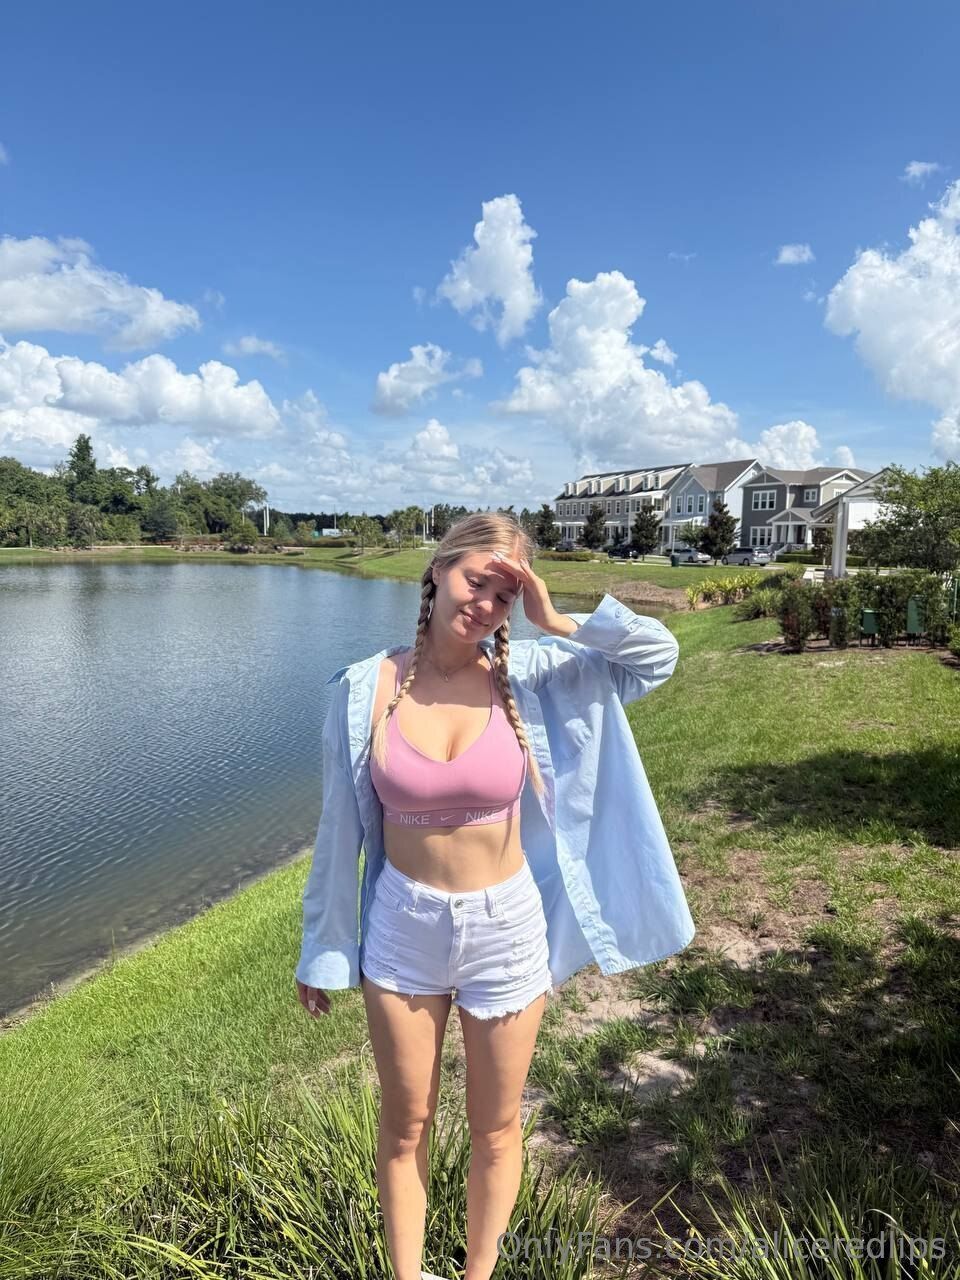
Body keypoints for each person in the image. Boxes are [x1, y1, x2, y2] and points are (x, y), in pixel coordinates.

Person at [295, 512, 695, 1280]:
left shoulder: (536, 675)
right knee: (404, 1127)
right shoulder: (365, 688)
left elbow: (657, 657)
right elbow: (338, 829)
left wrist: (558, 617)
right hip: (403, 927)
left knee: (497, 1129)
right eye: (477, 581)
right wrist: (323, 950)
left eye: (504, 595)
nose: (485, 604)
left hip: (506, 928)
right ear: (438, 571)